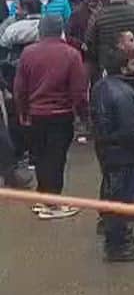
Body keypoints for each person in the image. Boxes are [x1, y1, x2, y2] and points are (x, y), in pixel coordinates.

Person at [13, 14, 89, 219]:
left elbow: (19, 88)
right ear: (61, 30)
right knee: (56, 159)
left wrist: (22, 112)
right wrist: (84, 116)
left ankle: (43, 196)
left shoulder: (28, 53)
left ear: (41, 30)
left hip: (35, 115)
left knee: (39, 157)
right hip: (60, 115)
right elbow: (79, 91)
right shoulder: (71, 54)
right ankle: (52, 205)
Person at [90, 49, 134, 262]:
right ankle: (117, 243)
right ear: (124, 67)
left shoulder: (101, 87)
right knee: (119, 196)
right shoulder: (124, 93)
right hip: (123, 153)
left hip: (107, 151)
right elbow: (130, 129)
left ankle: (111, 227)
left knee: (110, 190)